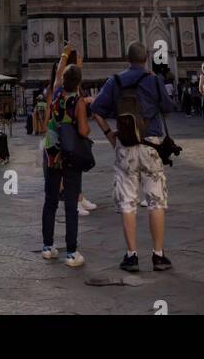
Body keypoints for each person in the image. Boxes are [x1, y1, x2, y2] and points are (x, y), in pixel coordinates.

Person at [90, 41, 174, 273]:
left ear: (128, 59)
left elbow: (96, 110)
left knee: (127, 203)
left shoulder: (114, 81)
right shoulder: (154, 80)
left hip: (125, 148)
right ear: (146, 57)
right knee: (156, 201)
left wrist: (110, 136)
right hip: (152, 147)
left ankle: (131, 256)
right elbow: (168, 107)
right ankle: (158, 256)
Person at [40, 49, 89, 268]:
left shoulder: (55, 93)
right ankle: (71, 253)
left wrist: (64, 54)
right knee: (70, 204)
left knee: (50, 201)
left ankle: (48, 247)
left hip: (51, 153)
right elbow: (84, 130)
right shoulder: (78, 102)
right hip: (70, 155)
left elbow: (59, 74)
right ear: (78, 82)